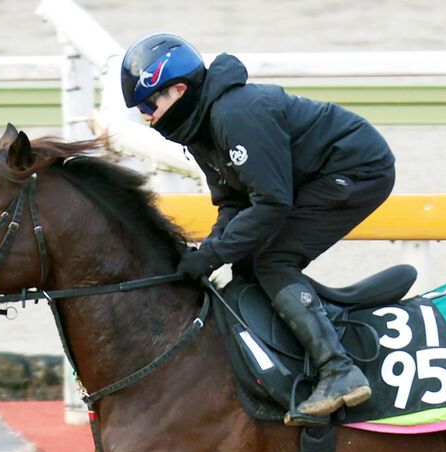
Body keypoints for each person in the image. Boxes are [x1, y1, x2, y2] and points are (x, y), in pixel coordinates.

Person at [120, 33, 397, 420]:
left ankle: (338, 369)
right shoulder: (199, 130)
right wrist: (207, 255)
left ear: (179, 90)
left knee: (272, 260)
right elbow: (234, 203)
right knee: (248, 264)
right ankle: (296, 365)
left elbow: (271, 203)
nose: (146, 116)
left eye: (149, 103)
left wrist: (212, 255)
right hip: (309, 179)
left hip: (358, 170)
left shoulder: (235, 114)